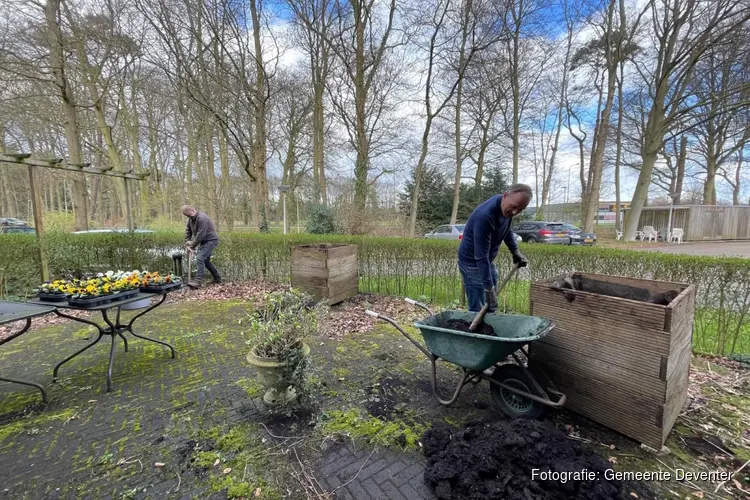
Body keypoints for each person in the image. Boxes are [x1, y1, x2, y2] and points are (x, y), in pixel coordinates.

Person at [458, 184, 532, 312]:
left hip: (486, 262)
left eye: (520, 210)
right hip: (472, 263)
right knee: (478, 309)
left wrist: (515, 251)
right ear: (505, 196)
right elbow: (481, 257)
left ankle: (490, 323)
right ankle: (476, 329)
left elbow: (506, 230)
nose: (515, 212)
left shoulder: (506, 208)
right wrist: (489, 288)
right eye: (514, 207)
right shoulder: (485, 216)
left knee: (491, 305)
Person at [182, 205, 221, 288]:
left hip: (211, 240)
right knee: (206, 261)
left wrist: (192, 247)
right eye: (188, 216)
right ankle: (217, 279)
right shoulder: (190, 219)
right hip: (204, 242)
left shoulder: (202, 218)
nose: (190, 217)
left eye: (190, 215)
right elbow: (188, 230)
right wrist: (187, 241)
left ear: (193, 210)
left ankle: (198, 281)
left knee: (200, 258)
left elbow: (201, 235)